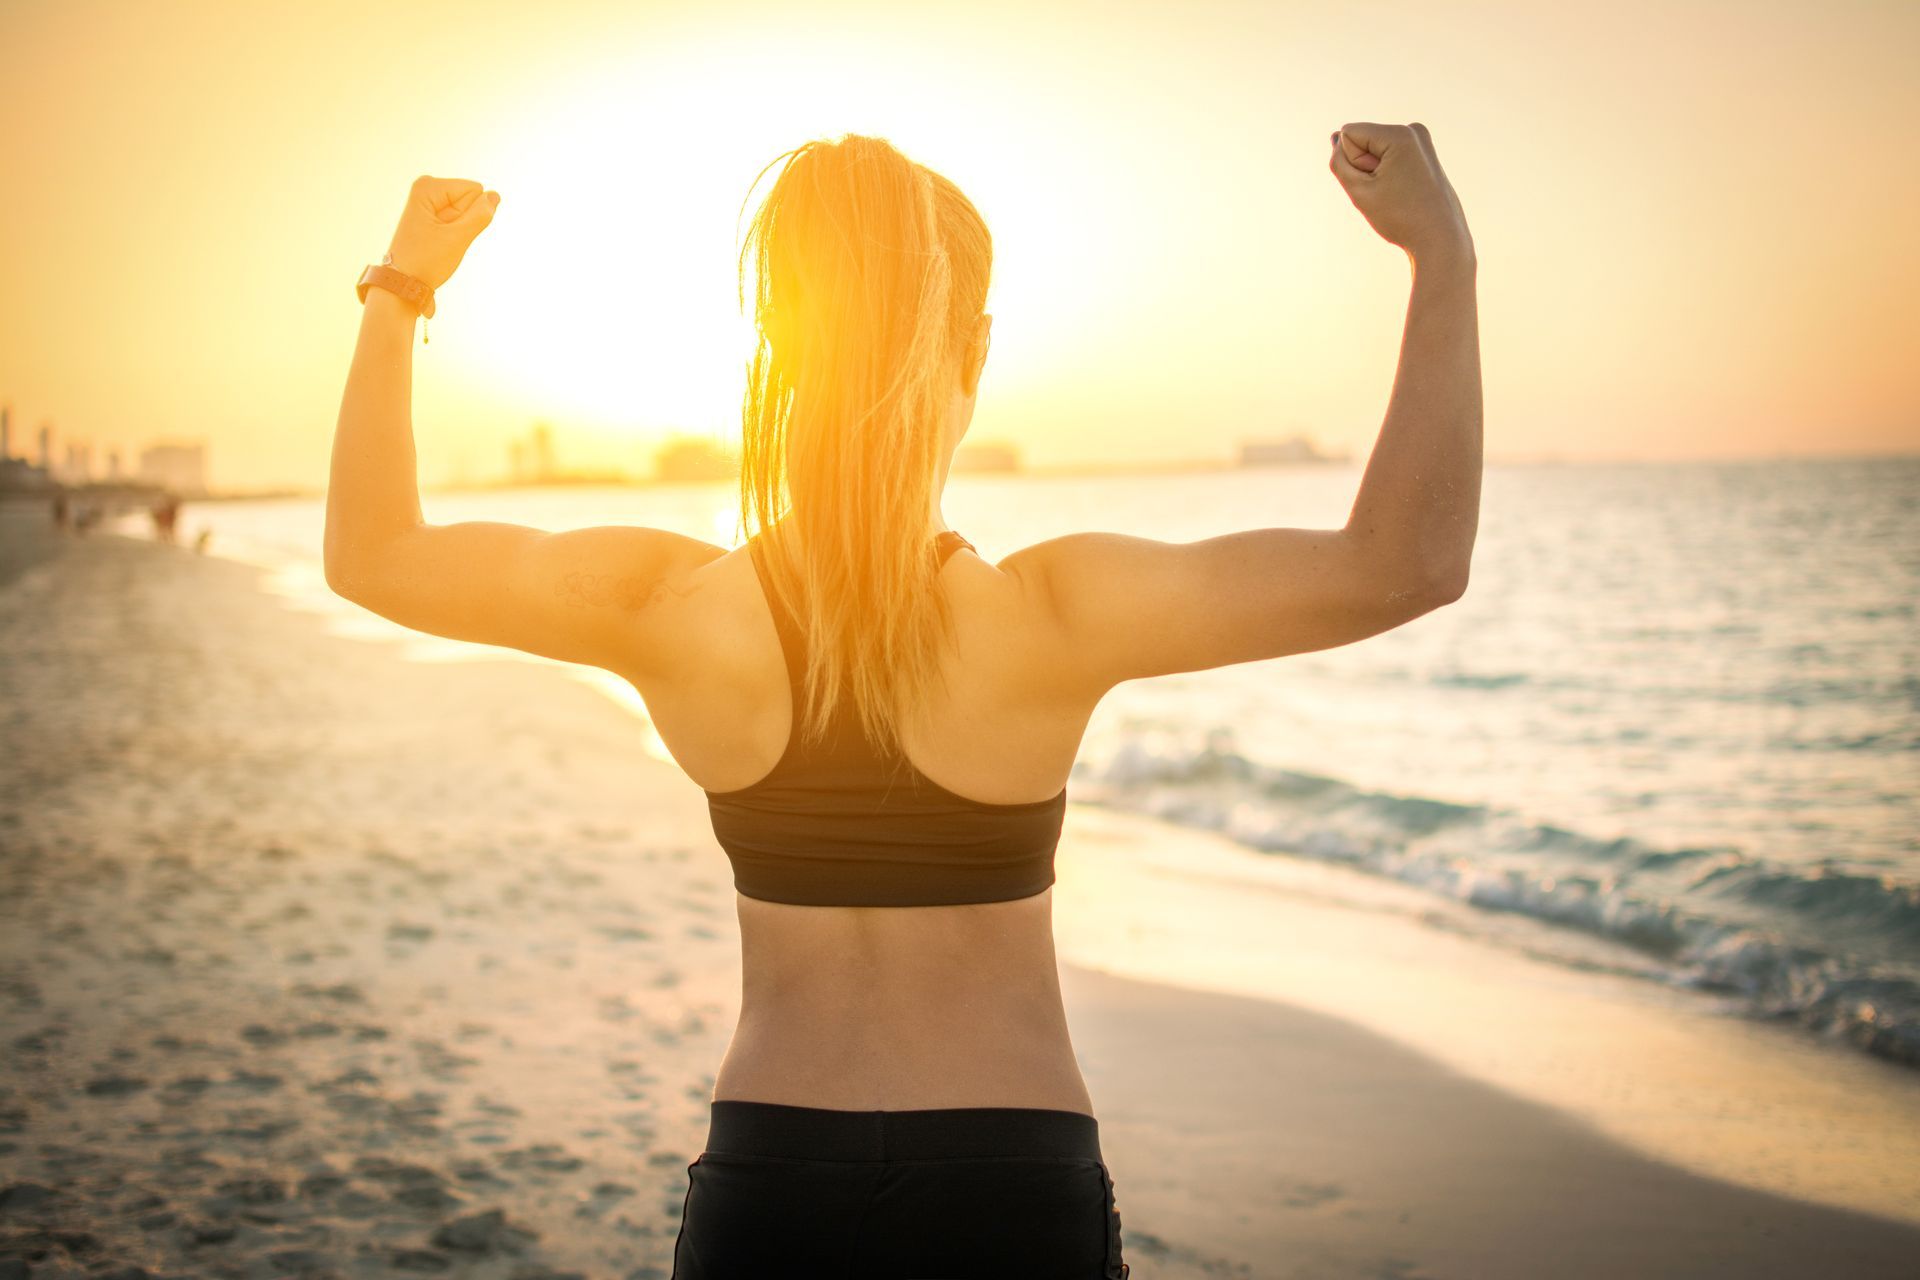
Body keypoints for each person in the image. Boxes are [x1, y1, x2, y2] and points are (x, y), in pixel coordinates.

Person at [323, 124, 1480, 1278]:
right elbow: (1406, 559)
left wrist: (403, 281)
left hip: (772, 1180)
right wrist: (1442, 257)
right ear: (972, 348)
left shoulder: (667, 605)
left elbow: (374, 553)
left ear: (780, 344)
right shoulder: (1055, 614)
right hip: (1009, 1184)